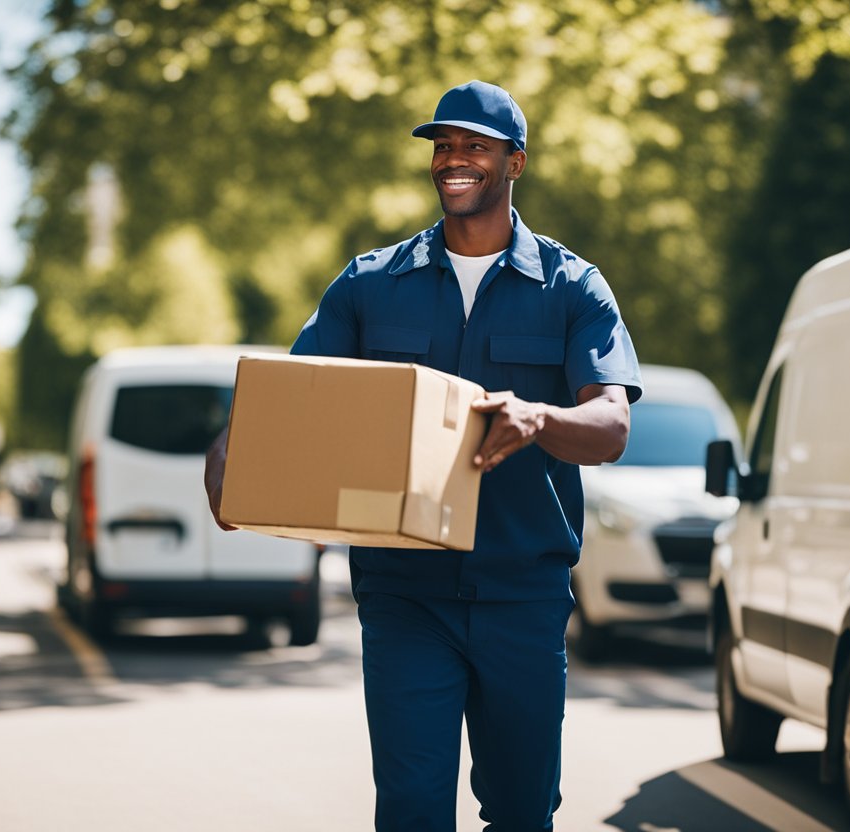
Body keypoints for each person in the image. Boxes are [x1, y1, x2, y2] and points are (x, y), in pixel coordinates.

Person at [205, 80, 642, 832]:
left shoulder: (572, 288)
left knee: (522, 810)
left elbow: (611, 425)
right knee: (410, 808)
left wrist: (537, 417)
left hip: (522, 596)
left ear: (515, 163)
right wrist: (230, 457)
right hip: (405, 595)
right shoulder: (373, 284)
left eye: (474, 145)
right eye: (443, 145)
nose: (453, 159)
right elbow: (290, 397)